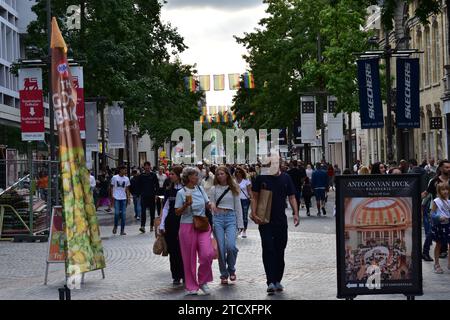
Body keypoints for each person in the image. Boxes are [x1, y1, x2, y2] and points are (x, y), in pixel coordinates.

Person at [251, 153, 299, 295]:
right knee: (268, 248)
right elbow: (254, 196)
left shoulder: (286, 177)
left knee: (280, 250)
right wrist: (253, 213)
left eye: (275, 163)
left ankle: (277, 279)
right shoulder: (261, 177)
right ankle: (270, 281)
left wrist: (295, 213)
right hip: (264, 220)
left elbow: (291, 196)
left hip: (280, 220)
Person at [175, 167, 215, 296]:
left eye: (197, 175)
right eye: (194, 175)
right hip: (187, 226)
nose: (197, 177)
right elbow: (177, 212)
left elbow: (207, 203)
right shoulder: (181, 193)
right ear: (188, 177)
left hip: (202, 224)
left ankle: (203, 281)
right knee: (189, 258)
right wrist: (185, 205)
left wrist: (212, 205)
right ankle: (191, 285)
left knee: (207, 254)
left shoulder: (200, 189)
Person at [211, 166, 244, 285]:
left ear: (227, 175)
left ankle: (232, 269)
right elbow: (212, 204)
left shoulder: (233, 188)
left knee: (231, 246)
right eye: (218, 174)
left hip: (231, 218)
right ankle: (224, 274)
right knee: (221, 247)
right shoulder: (214, 189)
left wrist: (240, 223)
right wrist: (212, 207)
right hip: (218, 219)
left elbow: (238, 206)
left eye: (222, 174)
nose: (220, 176)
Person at [159, 166, 184, 285]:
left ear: (179, 175)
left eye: (173, 174)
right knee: (173, 250)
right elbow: (165, 208)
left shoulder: (186, 190)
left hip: (184, 222)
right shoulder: (169, 190)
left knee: (183, 249)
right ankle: (176, 275)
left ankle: (185, 273)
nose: (170, 176)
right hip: (171, 222)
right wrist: (162, 224)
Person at [422, 160, 450, 260]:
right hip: (436, 210)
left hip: (448, 211)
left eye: (449, 167)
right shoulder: (434, 181)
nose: (448, 169)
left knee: (446, 231)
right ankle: (425, 252)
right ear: (441, 168)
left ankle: (443, 251)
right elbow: (426, 193)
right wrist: (415, 199)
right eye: (446, 167)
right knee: (432, 232)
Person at [429, 183, 450, 274]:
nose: (445, 191)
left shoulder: (449, 201)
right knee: (439, 244)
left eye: (446, 189)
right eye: (443, 189)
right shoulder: (436, 201)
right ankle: (436, 264)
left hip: (448, 225)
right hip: (440, 226)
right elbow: (432, 214)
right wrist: (438, 217)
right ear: (439, 191)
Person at [137, 162, 159, 233]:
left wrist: (156, 195)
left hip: (152, 195)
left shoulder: (153, 175)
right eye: (145, 166)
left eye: (148, 166)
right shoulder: (141, 175)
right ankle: (142, 226)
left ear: (150, 167)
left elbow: (157, 185)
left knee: (152, 211)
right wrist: (139, 194)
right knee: (143, 211)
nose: (146, 167)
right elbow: (139, 185)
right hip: (143, 196)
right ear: (144, 167)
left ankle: (151, 225)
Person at [110, 165, 130, 235]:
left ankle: (122, 230)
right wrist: (112, 195)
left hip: (123, 198)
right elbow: (111, 187)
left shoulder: (127, 179)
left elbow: (127, 189)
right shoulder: (114, 177)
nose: (125, 171)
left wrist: (128, 198)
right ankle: (115, 226)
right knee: (116, 213)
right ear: (120, 170)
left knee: (124, 214)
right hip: (116, 197)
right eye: (124, 170)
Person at [235, 167, 252, 239]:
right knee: (237, 215)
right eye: (237, 172)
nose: (238, 173)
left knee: (244, 215)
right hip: (236, 200)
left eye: (239, 172)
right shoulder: (233, 181)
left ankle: (244, 230)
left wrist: (252, 198)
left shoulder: (246, 181)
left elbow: (249, 191)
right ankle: (239, 229)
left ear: (242, 173)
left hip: (245, 200)